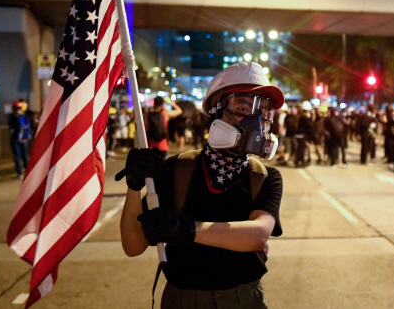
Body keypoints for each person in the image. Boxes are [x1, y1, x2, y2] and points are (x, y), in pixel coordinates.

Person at [117, 61, 284, 309]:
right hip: (183, 300)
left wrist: (185, 229)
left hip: (244, 299)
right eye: (243, 107)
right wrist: (134, 185)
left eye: (264, 112)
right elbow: (133, 246)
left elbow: (258, 235)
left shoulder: (264, 177)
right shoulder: (176, 170)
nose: (256, 122)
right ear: (216, 110)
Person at [8, 100, 31, 179]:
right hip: (24, 139)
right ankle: (28, 171)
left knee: (18, 156)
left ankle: (20, 172)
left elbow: (11, 127)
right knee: (24, 155)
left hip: (16, 139)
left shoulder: (13, 116)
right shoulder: (24, 116)